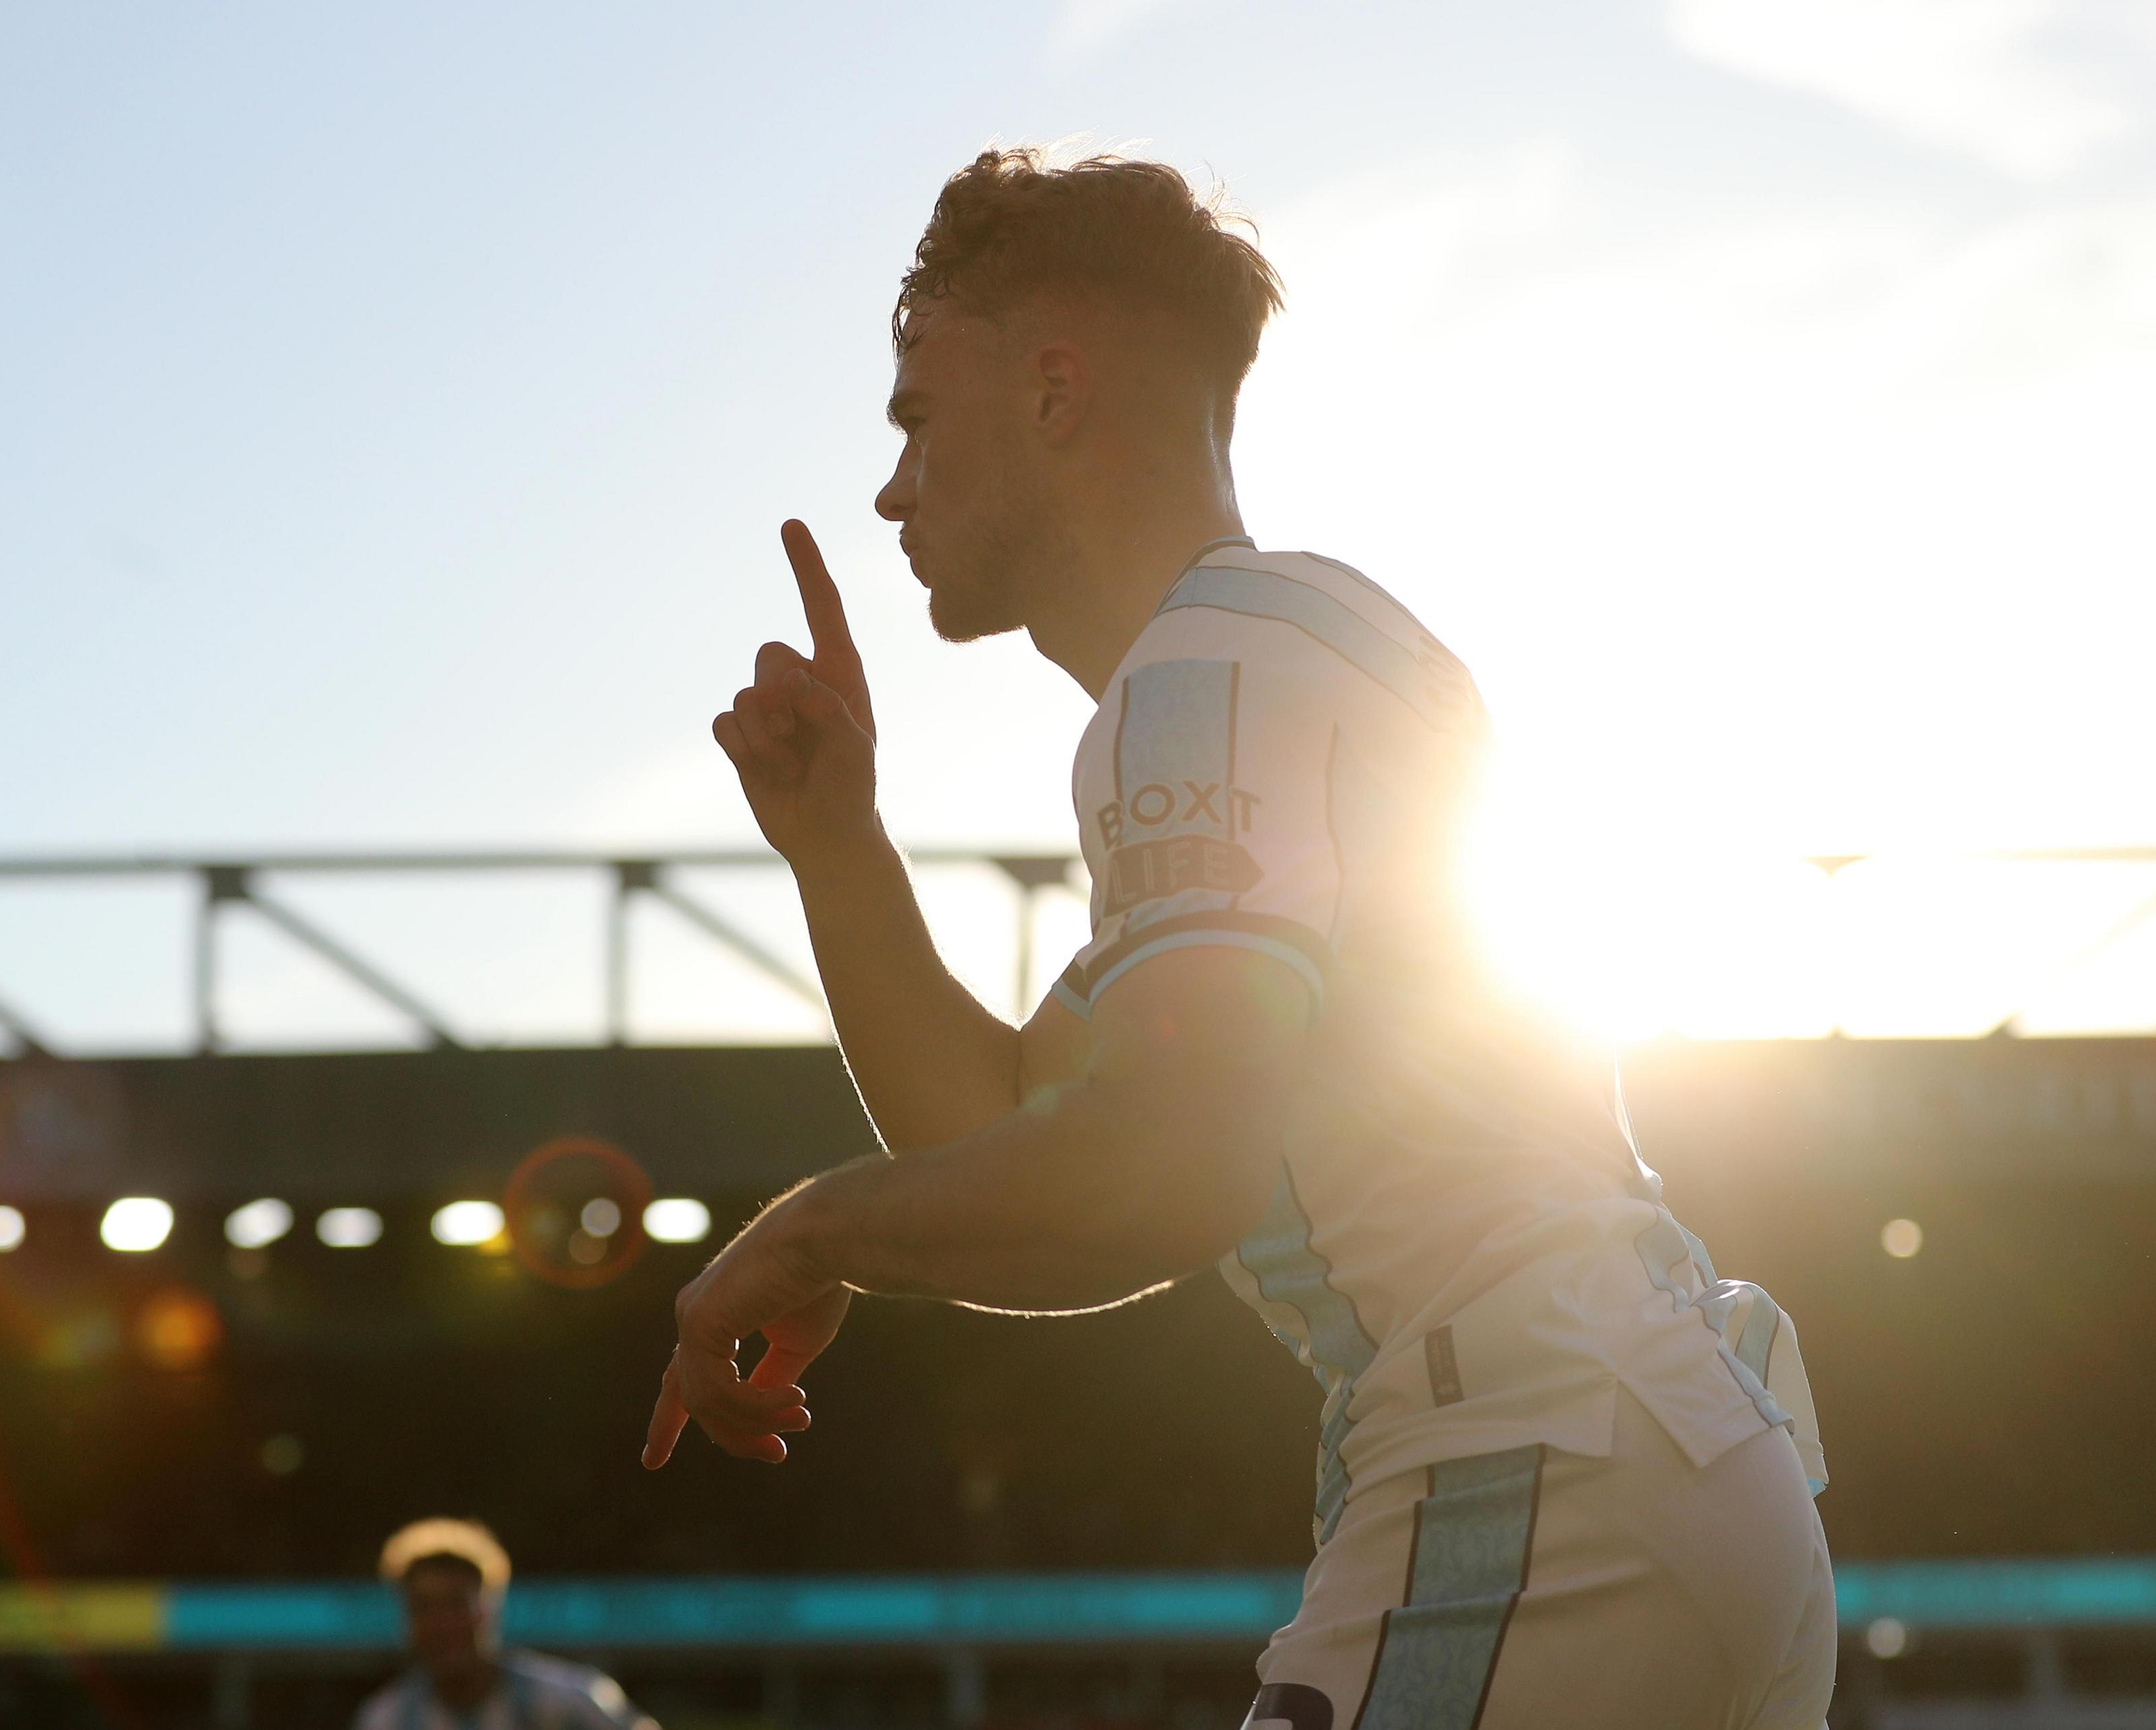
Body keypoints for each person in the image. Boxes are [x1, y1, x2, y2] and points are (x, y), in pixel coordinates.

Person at [641, 148, 1835, 1729]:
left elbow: (1152, 1169)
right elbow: (1016, 1129)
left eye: (915, 414)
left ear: (1053, 389)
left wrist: (804, 1229)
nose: (890, 485)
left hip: (1538, 1459)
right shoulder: (1296, 642)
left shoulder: (1194, 680)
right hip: (1676, 1453)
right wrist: (840, 848)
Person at [353, 1519, 655, 1730]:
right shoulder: (387, 1719)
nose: (440, 1624)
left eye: (455, 1605)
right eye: (424, 1608)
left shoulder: (562, 1700)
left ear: (487, 1610)